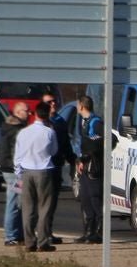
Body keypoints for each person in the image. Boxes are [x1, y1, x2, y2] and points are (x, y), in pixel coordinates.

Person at [14, 98, 58, 252]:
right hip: (44, 170)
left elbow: (17, 156)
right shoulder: (49, 132)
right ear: (47, 115)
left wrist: (18, 174)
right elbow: (53, 151)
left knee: (28, 208)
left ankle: (29, 241)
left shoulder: (24, 132)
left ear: (35, 114)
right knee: (44, 207)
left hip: (26, 171)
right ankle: (43, 241)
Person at [42, 92, 75, 245]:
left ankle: (47, 231)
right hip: (41, 168)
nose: (53, 104)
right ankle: (40, 233)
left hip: (56, 167)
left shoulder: (60, 121)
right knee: (41, 203)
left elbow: (65, 145)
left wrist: (73, 161)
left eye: (54, 101)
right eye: (49, 102)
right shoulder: (40, 122)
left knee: (52, 202)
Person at [75, 95, 105, 243]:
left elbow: (106, 142)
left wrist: (90, 155)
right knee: (85, 198)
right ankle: (88, 231)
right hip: (84, 167)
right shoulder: (83, 122)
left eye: (77, 105)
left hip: (94, 167)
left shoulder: (96, 123)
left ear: (81, 106)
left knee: (95, 198)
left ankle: (99, 233)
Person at [0, 101, 29, 246]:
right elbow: (14, 152)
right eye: (25, 111)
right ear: (17, 113)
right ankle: (10, 236)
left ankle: (18, 234)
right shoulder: (16, 130)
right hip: (14, 171)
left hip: (11, 168)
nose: (28, 113)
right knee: (14, 202)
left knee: (19, 202)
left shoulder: (10, 127)